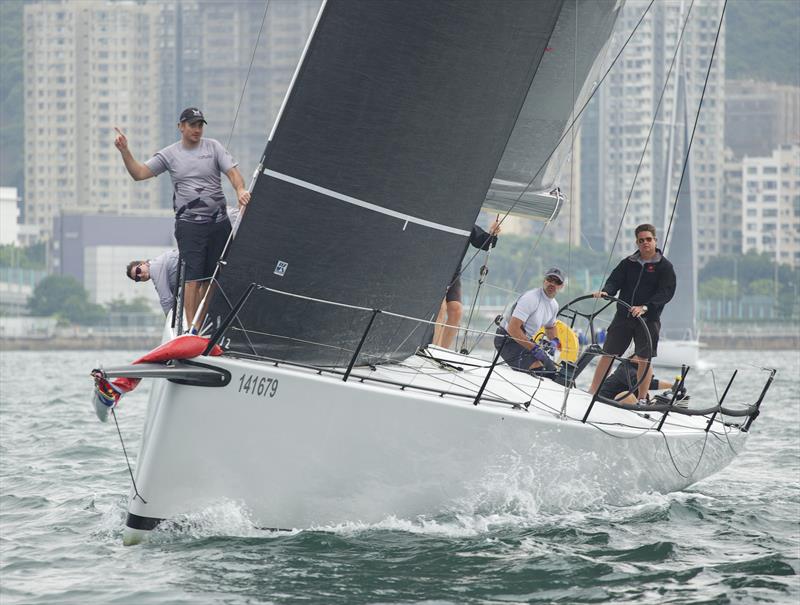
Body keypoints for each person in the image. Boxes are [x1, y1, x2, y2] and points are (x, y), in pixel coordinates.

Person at [114, 108, 251, 332]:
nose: (197, 129)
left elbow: (233, 173)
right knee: (192, 276)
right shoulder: (169, 154)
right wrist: (124, 150)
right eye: (192, 125)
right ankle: (191, 327)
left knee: (213, 277)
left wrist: (240, 189)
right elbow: (139, 173)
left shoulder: (213, 147)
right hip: (189, 225)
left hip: (218, 222)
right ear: (181, 127)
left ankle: (202, 322)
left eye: (200, 125)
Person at [588, 223, 676, 404]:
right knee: (609, 353)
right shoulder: (628, 263)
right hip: (624, 316)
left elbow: (666, 293)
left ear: (655, 241)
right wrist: (607, 291)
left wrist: (645, 307)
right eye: (641, 240)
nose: (645, 243)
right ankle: (592, 392)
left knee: (644, 358)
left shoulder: (665, 267)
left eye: (649, 239)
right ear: (637, 242)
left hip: (648, 319)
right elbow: (614, 280)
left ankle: (642, 399)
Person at [433, 219, 501, 349]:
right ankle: (434, 348)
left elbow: (484, 243)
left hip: (453, 274)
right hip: (434, 272)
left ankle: (442, 351)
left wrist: (493, 233)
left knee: (456, 311)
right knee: (441, 309)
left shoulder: (466, 223)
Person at [493, 267, 565, 375]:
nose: (552, 284)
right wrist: (534, 349)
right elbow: (513, 328)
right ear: (544, 281)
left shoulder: (554, 305)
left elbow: (550, 327)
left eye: (557, 282)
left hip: (525, 341)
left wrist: (555, 343)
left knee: (551, 370)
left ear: (561, 286)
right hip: (507, 339)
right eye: (550, 280)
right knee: (539, 371)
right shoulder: (531, 298)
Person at [598, 356, 688, 405]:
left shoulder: (642, 371)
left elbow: (645, 389)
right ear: (631, 356)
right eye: (640, 355)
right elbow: (646, 384)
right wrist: (672, 386)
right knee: (626, 395)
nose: (644, 358)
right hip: (603, 405)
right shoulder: (624, 368)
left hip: (621, 408)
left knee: (659, 401)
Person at [126, 249, 180, 315]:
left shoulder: (154, 267)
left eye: (138, 271)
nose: (140, 275)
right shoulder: (158, 269)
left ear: (143, 263)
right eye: (137, 278)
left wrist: (170, 322)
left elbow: (166, 300)